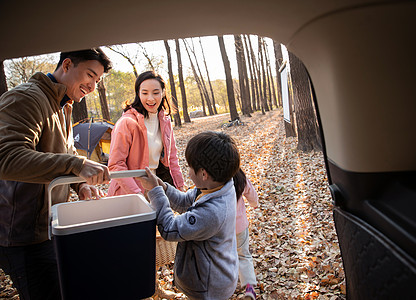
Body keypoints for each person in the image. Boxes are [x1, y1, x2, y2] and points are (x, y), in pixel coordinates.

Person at [0, 48, 113, 300]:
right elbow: (6, 158)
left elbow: (62, 152)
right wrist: (75, 165)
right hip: (22, 235)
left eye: (98, 81)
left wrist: (79, 185)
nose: (92, 86)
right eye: (89, 75)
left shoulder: (63, 105)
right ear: (67, 64)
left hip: (51, 226)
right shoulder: (26, 98)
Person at [138, 131, 240, 300]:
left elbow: (169, 229)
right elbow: (185, 201)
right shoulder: (217, 186)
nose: (189, 172)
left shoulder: (212, 212)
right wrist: (162, 187)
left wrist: (155, 193)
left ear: (203, 174)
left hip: (208, 286)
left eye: (190, 167)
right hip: (214, 277)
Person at [107, 70, 185, 197]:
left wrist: (180, 185)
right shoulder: (127, 123)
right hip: (128, 192)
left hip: (156, 188)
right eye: (145, 93)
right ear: (138, 94)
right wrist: (137, 194)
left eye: (155, 93)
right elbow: (116, 165)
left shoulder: (165, 121)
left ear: (163, 93)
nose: (150, 98)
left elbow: (172, 157)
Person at [234, 168, 259, 300]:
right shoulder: (239, 177)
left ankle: (228, 284)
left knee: (223, 255)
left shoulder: (218, 178)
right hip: (240, 226)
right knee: (243, 255)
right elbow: (252, 193)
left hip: (222, 227)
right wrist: (254, 204)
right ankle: (249, 288)